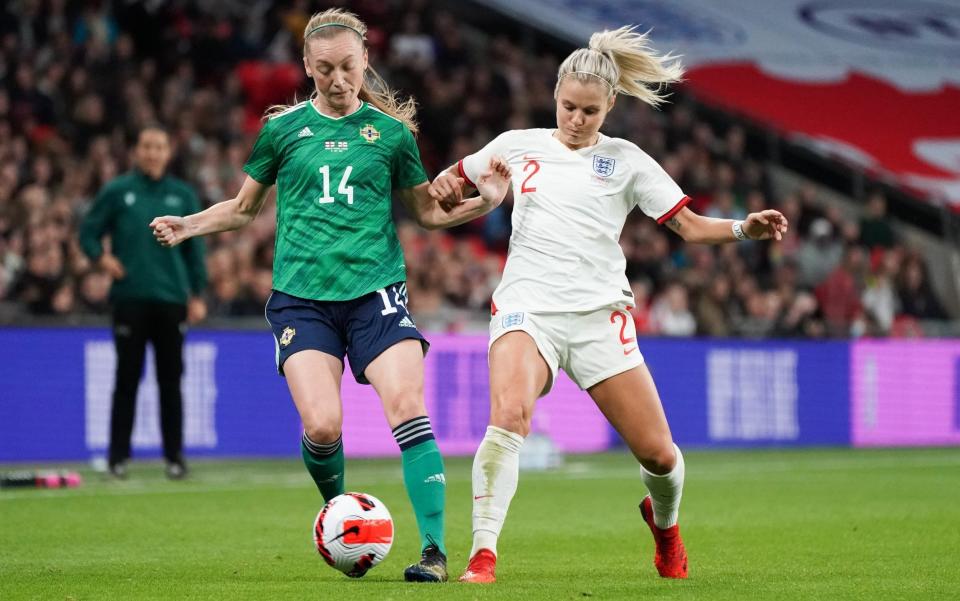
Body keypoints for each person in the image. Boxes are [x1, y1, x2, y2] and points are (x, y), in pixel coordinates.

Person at [149, 9, 511, 582]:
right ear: (306, 67)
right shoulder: (283, 132)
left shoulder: (391, 135)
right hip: (302, 301)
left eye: (347, 67)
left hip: (377, 295)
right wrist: (188, 225)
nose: (338, 80)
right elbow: (243, 210)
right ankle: (338, 515)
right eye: (324, 70)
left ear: (365, 61)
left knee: (408, 409)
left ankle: (436, 552)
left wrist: (484, 204)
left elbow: (424, 213)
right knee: (321, 427)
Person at [430, 26, 788, 583]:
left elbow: (690, 228)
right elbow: (443, 188)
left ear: (610, 106)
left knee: (660, 457)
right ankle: (483, 553)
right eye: (569, 107)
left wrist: (744, 228)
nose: (576, 120)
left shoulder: (627, 161)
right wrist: (459, 193)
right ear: (554, 97)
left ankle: (665, 528)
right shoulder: (514, 145)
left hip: (600, 319)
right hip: (529, 308)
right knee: (508, 415)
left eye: (590, 112)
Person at [79, 125, 208, 481]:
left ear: (168, 152)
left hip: (171, 300)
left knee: (171, 381)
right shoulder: (118, 191)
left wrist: (197, 293)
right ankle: (117, 457)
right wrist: (101, 259)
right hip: (130, 298)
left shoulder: (181, 195)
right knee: (126, 379)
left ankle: (175, 458)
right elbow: (87, 231)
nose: (153, 153)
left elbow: (195, 248)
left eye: (160, 147)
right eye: (147, 146)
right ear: (136, 151)